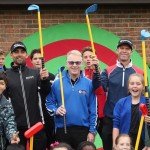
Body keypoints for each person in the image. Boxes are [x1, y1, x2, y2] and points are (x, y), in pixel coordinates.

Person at [46, 50, 97, 149]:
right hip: (63, 129)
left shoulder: (89, 83)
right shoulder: (57, 83)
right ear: (66, 64)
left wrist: (92, 131)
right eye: (71, 62)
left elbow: (93, 110)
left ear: (82, 63)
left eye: (77, 62)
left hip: (83, 130)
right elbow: (48, 103)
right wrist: (56, 110)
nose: (74, 65)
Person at [98, 39, 143, 150]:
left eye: (127, 49)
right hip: (110, 118)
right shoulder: (108, 71)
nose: (124, 51)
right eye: (121, 48)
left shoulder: (139, 72)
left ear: (131, 52)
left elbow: (146, 96)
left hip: (131, 118)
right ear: (117, 50)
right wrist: (95, 73)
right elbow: (99, 88)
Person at [5, 41, 50, 150]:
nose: (19, 54)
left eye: (22, 51)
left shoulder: (35, 73)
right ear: (11, 55)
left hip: (36, 127)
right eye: (16, 52)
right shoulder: (5, 75)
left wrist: (45, 80)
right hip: (16, 129)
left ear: (26, 54)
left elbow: (46, 92)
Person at [113, 73, 149, 149]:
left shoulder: (148, 103)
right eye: (132, 83)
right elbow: (116, 125)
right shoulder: (121, 103)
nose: (135, 86)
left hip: (144, 144)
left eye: (138, 84)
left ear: (143, 87)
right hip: (125, 143)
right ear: (128, 86)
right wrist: (114, 144)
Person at [30, 49, 55, 149]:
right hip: (35, 117)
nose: (37, 61)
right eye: (35, 58)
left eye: (40, 58)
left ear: (44, 60)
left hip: (49, 116)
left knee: (51, 143)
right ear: (31, 61)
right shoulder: (29, 76)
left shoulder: (52, 76)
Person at [82, 47, 106, 137]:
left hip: (100, 114)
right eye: (85, 57)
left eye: (91, 57)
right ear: (82, 59)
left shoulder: (103, 73)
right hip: (86, 114)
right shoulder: (81, 74)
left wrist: (96, 71)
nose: (88, 59)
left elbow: (101, 90)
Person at [0, 72, 20, 150]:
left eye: (2, 83)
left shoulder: (7, 104)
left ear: (5, 87)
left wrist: (12, 136)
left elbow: (9, 123)